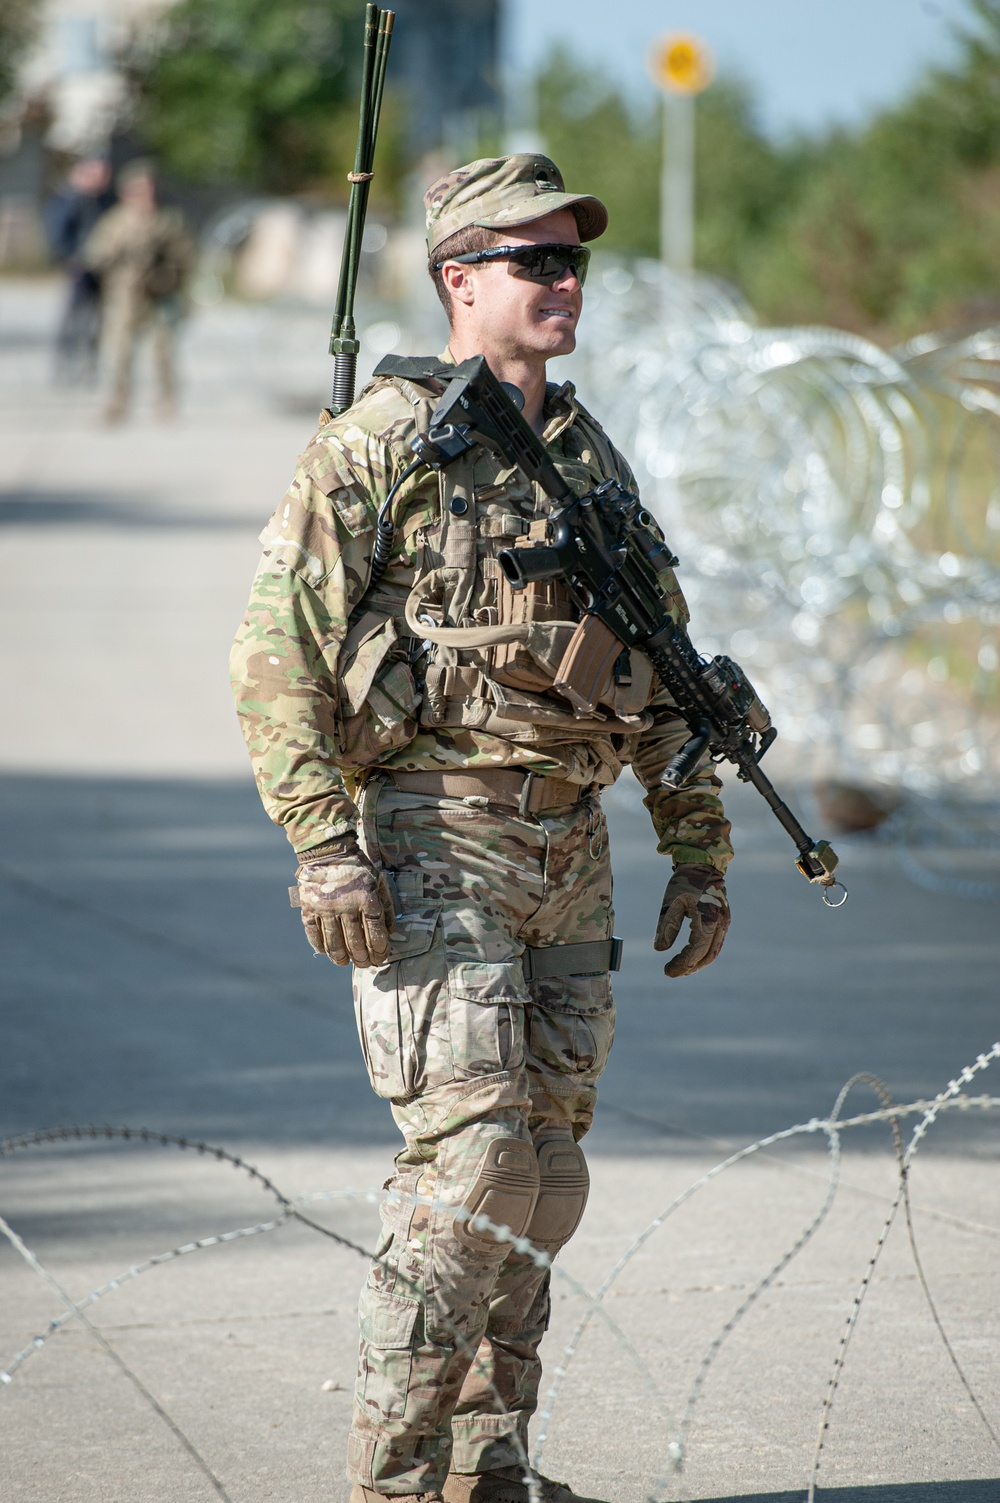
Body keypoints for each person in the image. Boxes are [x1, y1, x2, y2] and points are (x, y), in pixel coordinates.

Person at [230, 154, 733, 1503]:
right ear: (462, 280)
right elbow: (275, 650)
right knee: (474, 1171)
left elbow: (663, 664)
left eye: (574, 260)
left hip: (571, 851)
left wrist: (700, 838)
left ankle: (486, 1459)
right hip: (431, 837)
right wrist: (321, 838)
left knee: (548, 1178)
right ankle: (391, 1481)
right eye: (536, 261)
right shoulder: (383, 442)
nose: (565, 282)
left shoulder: (584, 452)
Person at [81, 159, 194, 422]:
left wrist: (169, 275)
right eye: (139, 190)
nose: (146, 195)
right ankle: (117, 404)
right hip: (123, 298)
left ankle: (167, 403)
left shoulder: (167, 221)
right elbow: (94, 256)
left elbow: (186, 257)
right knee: (118, 355)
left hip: (158, 297)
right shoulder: (115, 223)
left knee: (163, 354)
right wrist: (117, 250)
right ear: (126, 193)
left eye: (149, 189)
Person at [44, 155, 114, 383]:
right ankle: (67, 366)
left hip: (102, 269)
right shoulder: (70, 198)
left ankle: (88, 366)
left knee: (98, 321)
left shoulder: (104, 200)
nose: (101, 180)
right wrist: (69, 257)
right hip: (80, 269)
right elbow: (58, 233)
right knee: (77, 318)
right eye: (96, 174)